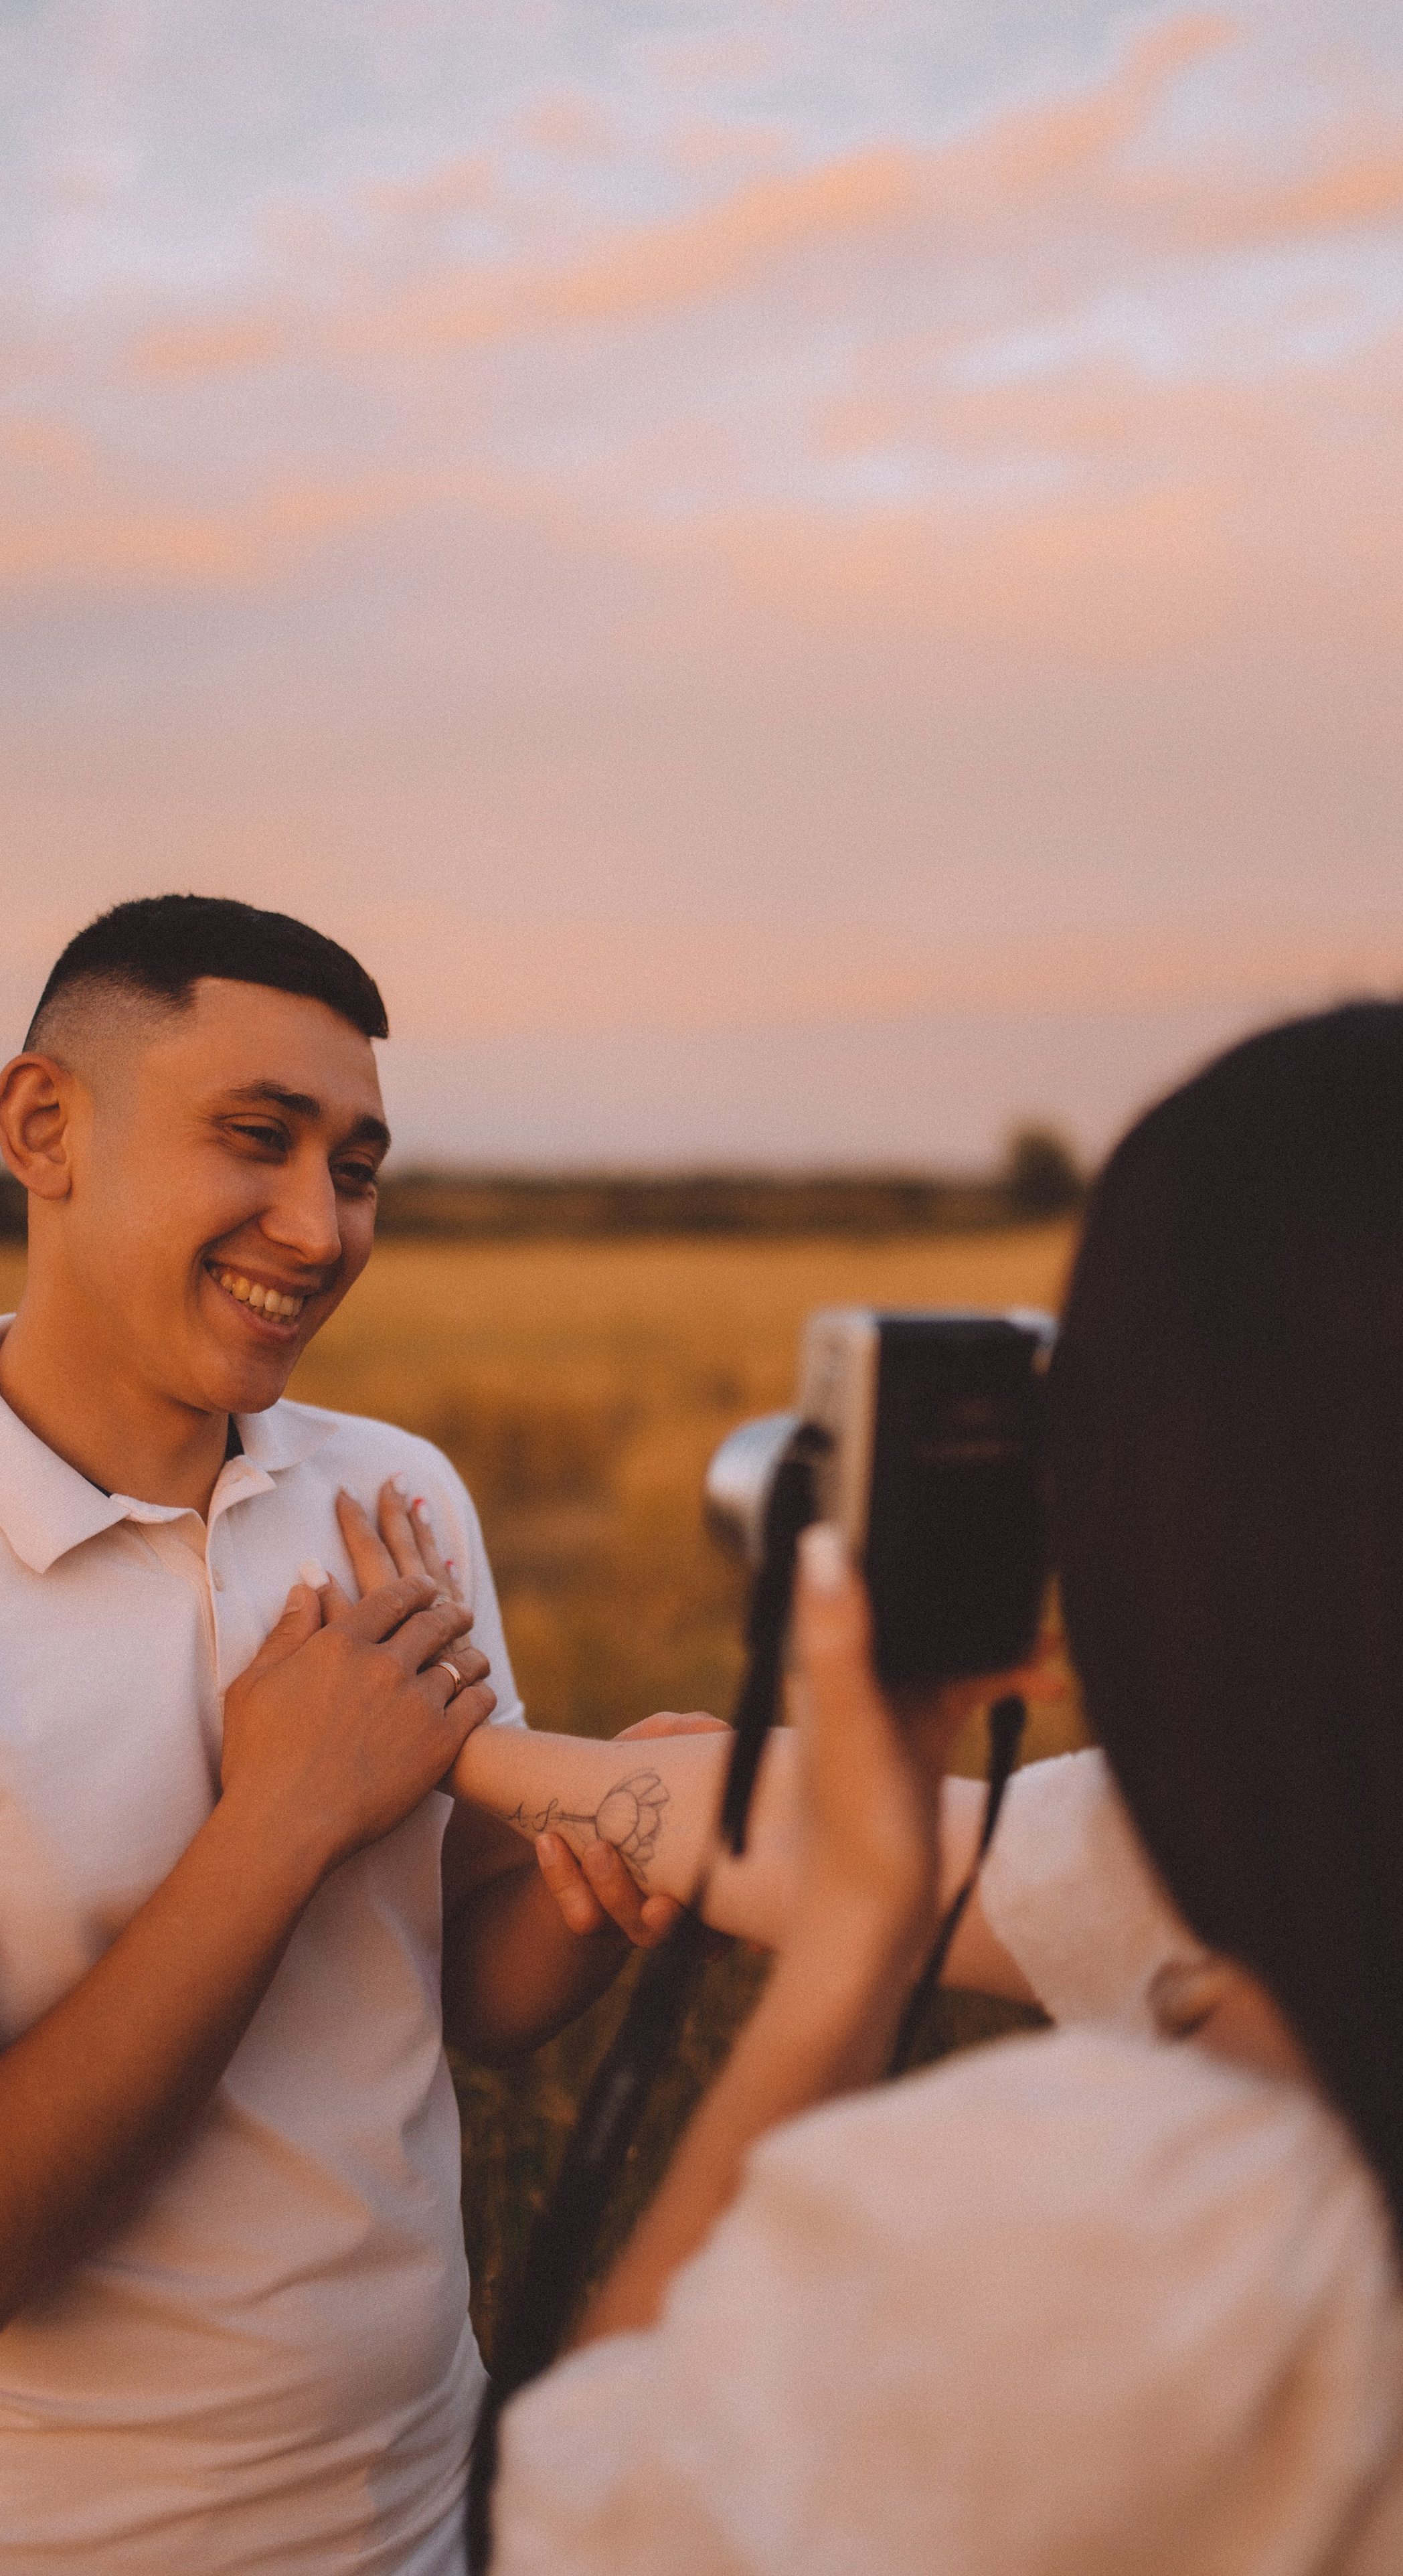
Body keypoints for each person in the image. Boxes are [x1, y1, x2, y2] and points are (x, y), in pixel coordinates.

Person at [0, 895, 705, 2576]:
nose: (317, 1226)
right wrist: (279, 1818)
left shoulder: (394, 1498)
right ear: (42, 1128)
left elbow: (451, 1984)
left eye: (359, 1166)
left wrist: (595, 1886)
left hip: (418, 2527)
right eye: (257, 1140)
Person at [489, 1001, 1403, 2575]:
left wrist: (847, 1953)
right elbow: (836, 1829)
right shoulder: (1236, 1861)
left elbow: (578, 2510)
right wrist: (462, 1747)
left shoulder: (1061, 2233)